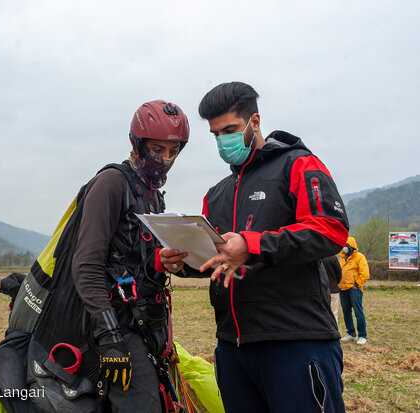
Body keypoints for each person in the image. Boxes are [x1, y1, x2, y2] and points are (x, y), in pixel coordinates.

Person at [0, 100, 190, 413]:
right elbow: (87, 263)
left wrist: (159, 262)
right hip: (104, 324)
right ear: (136, 144)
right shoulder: (112, 183)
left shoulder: (151, 194)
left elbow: (128, 259)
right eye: (156, 149)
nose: (165, 159)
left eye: (173, 151)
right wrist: (109, 336)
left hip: (137, 321)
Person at [159, 82, 349, 412]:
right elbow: (215, 257)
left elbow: (330, 230)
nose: (222, 141)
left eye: (230, 130)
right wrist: (181, 263)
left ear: (255, 122)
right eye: (215, 134)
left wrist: (253, 245)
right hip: (232, 347)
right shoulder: (216, 194)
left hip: (296, 343)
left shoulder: (298, 165)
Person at [338, 236, 370, 345]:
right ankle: (351, 333)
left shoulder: (359, 257)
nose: (344, 248)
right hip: (343, 288)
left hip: (354, 289)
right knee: (346, 312)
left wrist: (357, 284)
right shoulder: (341, 258)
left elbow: (365, 273)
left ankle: (362, 335)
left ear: (351, 246)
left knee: (358, 312)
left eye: (345, 245)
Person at [322, 255, 343, 323]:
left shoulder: (317, 258)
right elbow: (339, 273)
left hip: (321, 289)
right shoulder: (333, 258)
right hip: (333, 289)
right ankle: (334, 331)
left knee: (323, 313)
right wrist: (335, 282)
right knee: (334, 313)